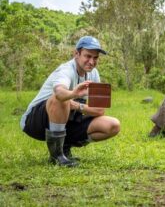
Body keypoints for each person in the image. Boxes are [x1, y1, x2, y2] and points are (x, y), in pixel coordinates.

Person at [20, 36, 121, 167]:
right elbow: (60, 93)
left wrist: (76, 105)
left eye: (95, 58)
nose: (92, 61)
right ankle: (57, 156)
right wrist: (73, 94)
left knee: (113, 125)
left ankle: (65, 145)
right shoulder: (66, 70)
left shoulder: (94, 73)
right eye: (88, 56)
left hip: (68, 119)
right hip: (35, 122)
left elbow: (99, 110)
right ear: (76, 54)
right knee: (61, 99)